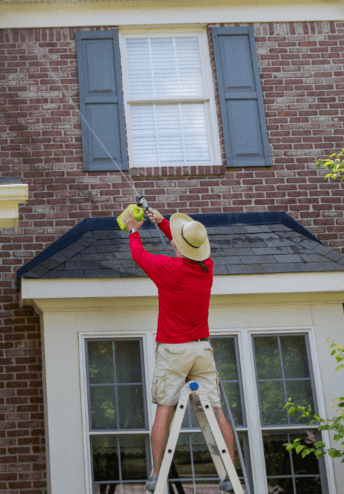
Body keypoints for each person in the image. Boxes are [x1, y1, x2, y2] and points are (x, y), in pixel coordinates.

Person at [122, 209, 237, 493]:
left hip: (173, 352)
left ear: (178, 247)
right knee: (217, 410)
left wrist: (134, 230)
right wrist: (160, 221)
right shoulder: (206, 268)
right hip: (201, 351)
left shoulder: (169, 270)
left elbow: (140, 256)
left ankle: (156, 471)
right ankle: (229, 473)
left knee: (165, 408)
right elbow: (183, 243)